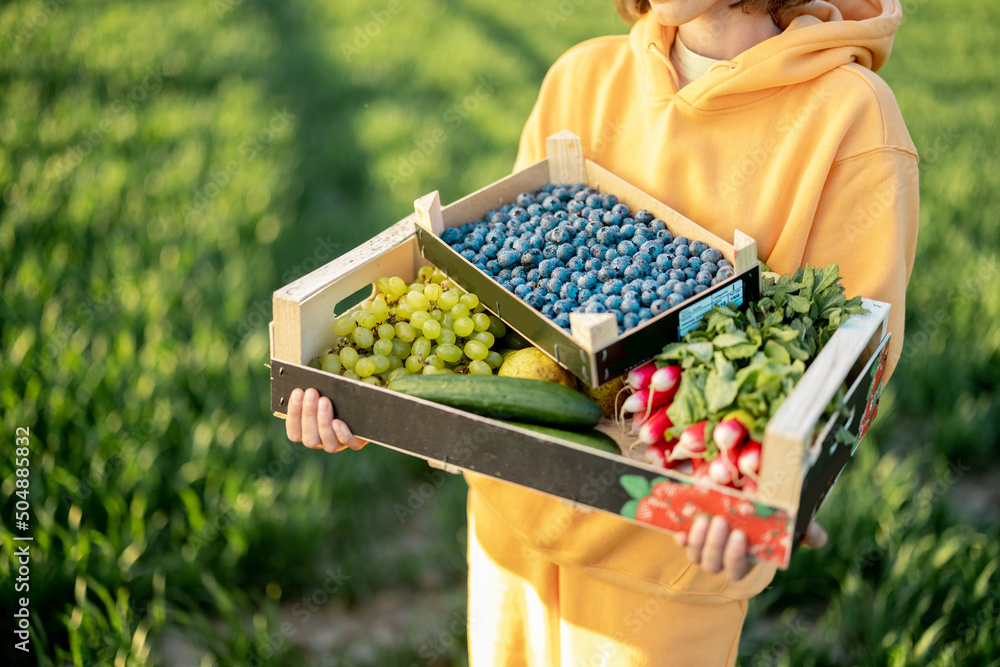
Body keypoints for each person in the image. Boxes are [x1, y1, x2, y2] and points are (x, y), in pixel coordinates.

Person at [286, 0, 918, 664]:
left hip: (667, 563)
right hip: (512, 522)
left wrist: (790, 477)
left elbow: (850, 349)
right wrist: (383, 399)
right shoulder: (580, 79)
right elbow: (501, 303)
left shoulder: (851, 117)